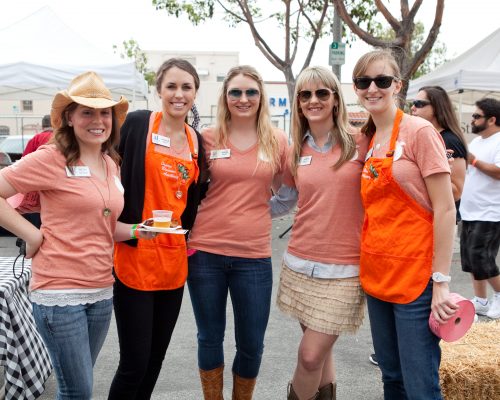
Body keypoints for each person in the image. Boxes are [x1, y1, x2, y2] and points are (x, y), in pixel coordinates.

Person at [0, 71, 154, 399]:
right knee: (78, 391)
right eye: (87, 111)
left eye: (104, 112)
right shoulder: (52, 158)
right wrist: (33, 234)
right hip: (59, 293)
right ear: (69, 118)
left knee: (77, 388)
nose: (97, 120)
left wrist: (141, 231)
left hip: (100, 291)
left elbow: (104, 226)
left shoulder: (110, 163)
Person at [353, 49, 457, 399]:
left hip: (416, 279)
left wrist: (440, 281)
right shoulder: (366, 140)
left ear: (397, 85)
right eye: (363, 81)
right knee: (392, 378)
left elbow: (445, 209)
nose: (373, 89)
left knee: (420, 385)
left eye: (382, 80)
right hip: (377, 274)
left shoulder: (419, 131)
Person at [108, 58, 207, 400]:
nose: (179, 94)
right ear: (159, 90)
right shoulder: (137, 124)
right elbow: (103, 159)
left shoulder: (196, 141)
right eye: (172, 87)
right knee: (134, 361)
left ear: (195, 93)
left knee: (155, 360)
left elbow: (194, 197)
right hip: (134, 253)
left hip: (172, 260)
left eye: (187, 87)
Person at [186, 65, 288, 399]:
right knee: (209, 337)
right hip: (205, 254)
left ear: (261, 98)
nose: (243, 99)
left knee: (252, 344)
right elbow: (187, 188)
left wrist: (260, 211)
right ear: (225, 97)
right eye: (235, 92)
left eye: (250, 93)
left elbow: (289, 194)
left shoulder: (277, 140)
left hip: (254, 258)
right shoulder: (206, 138)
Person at [270, 66, 368, 400]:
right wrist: (231, 206)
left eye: (322, 93)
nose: (314, 100)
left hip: (345, 271)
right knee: (320, 358)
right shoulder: (295, 150)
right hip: (300, 267)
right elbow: (284, 200)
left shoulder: (361, 144)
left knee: (309, 356)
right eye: (306, 94)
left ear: (336, 100)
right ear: (298, 103)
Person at [459, 98, 500, 320]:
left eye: (476, 116)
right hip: (470, 211)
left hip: (491, 213)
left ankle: (499, 296)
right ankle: (481, 301)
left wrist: (473, 162)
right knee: (470, 260)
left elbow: (498, 172)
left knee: (482, 258)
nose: (472, 120)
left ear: (492, 119)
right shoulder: (476, 143)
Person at [411, 86, 468, 220]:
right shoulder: (424, 136)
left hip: (439, 219)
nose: (413, 108)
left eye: (419, 104)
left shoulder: (450, 140)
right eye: (413, 103)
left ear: (436, 107)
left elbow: (456, 191)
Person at [19, 114, 54, 229]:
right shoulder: (61, 138)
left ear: (43, 125)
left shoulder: (36, 138)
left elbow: (24, 161)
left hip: (36, 185)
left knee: (34, 217)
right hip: (56, 184)